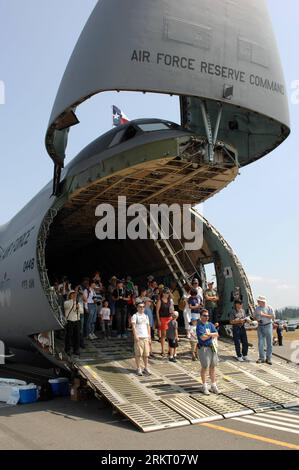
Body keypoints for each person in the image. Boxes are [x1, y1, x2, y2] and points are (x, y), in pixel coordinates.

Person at [196, 309, 219, 395]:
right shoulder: (199, 326)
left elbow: (216, 334)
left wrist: (209, 335)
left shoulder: (210, 324)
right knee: (205, 366)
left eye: (207, 316)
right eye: (205, 315)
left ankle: (213, 385)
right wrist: (211, 335)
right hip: (203, 348)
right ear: (201, 316)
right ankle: (204, 385)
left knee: (213, 366)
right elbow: (202, 338)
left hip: (212, 347)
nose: (206, 317)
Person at [131, 303, 152, 376]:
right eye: (140, 307)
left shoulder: (146, 316)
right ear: (137, 308)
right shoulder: (135, 316)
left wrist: (149, 336)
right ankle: (138, 368)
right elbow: (133, 326)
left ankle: (146, 368)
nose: (142, 308)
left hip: (145, 337)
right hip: (139, 337)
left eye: (143, 307)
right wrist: (135, 335)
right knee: (138, 354)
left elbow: (148, 326)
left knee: (146, 354)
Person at [254, 295, 275, 365]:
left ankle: (268, 358)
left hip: (268, 325)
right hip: (260, 326)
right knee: (261, 343)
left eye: (259, 301)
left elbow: (272, 317)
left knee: (269, 342)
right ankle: (261, 358)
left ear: (262, 301)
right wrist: (257, 319)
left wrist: (264, 315)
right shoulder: (257, 308)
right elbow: (255, 316)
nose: (257, 302)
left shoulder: (269, 308)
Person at [64, 290, 83, 357]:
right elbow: (68, 307)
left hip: (77, 320)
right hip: (69, 320)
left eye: (75, 294)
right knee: (69, 336)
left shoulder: (78, 303)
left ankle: (76, 350)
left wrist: (78, 307)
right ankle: (67, 349)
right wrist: (73, 301)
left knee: (77, 336)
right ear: (69, 295)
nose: (74, 295)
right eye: (72, 294)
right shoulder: (67, 302)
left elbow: (82, 311)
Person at [156, 287, 174, 356]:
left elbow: (172, 309)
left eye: (168, 293)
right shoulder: (160, 301)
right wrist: (158, 320)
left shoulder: (170, 300)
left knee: (170, 335)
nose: (167, 294)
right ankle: (163, 350)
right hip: (163, 319)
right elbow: (157, 311)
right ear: (163, 294)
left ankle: (170, 350)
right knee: (163, 335)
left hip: (169, 318)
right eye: (166, 293)